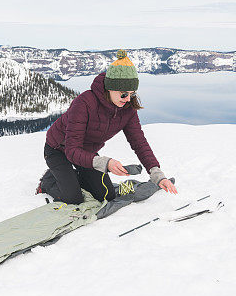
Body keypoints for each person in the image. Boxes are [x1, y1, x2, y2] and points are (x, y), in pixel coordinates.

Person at [42, 49, 178, 204]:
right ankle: (48, 180)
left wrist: (157, 174)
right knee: (73, 198)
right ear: (109, 88)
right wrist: (106, 163)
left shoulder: (128, 109)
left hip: (87, 152)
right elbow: (72, 150)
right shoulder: (84, 103)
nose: (127, 99)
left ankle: (71, 177)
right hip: (59, 149)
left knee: (106, 195)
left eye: (131, 94)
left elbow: (139, 143)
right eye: (123, 94)